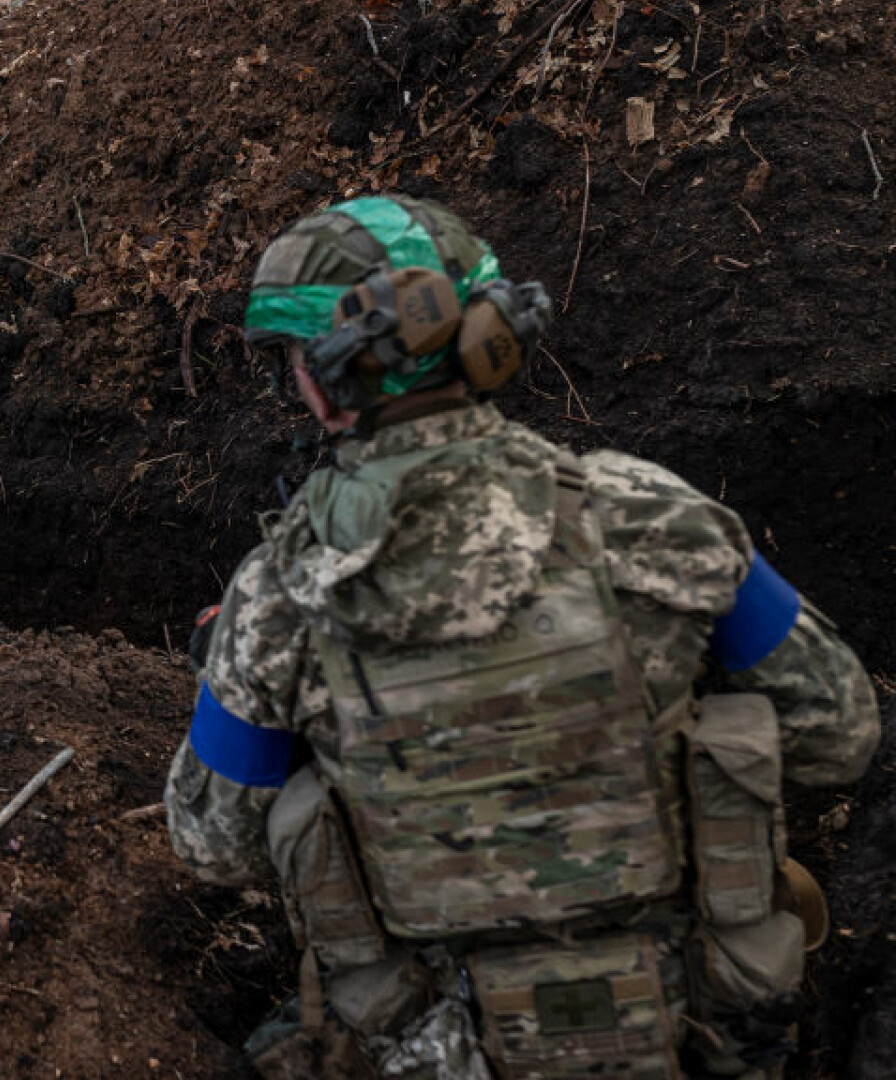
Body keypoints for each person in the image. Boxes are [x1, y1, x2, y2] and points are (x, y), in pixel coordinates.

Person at [164, 195, 879, 1080]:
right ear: (490, 338)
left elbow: (213, 843)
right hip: (696, 1026)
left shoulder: (277, 598)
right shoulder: (650, 514)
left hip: (429, 1043)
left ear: (320, 376)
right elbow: (839, 732)